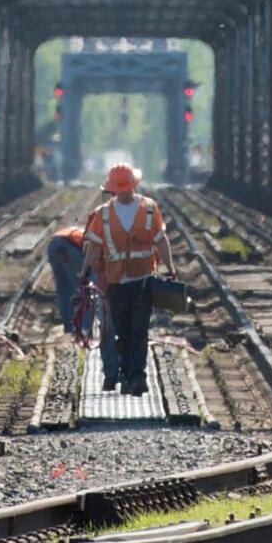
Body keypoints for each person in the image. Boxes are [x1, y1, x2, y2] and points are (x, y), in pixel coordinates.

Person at [81, 164, 177, 396]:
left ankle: (138, 377)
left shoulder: (150, 209)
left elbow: (160, 241)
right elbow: (94, 247)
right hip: (116, 283)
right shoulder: (102, 214)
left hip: (143, 280)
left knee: (139, 331)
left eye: (127, 188)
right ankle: (126, 376)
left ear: (134, 185)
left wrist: (171, 267)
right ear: (113, 189)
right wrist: (84, 272)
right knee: (122, 332)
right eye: (119, 189)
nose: (123, 192)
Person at [47, 223, 120, 385]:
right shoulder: (97, 241)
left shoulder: (80, 233)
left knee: (64, 290)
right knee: (86, 290)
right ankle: (85, 328)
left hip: (53, 245)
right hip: (70, 249)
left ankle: (69, 327)